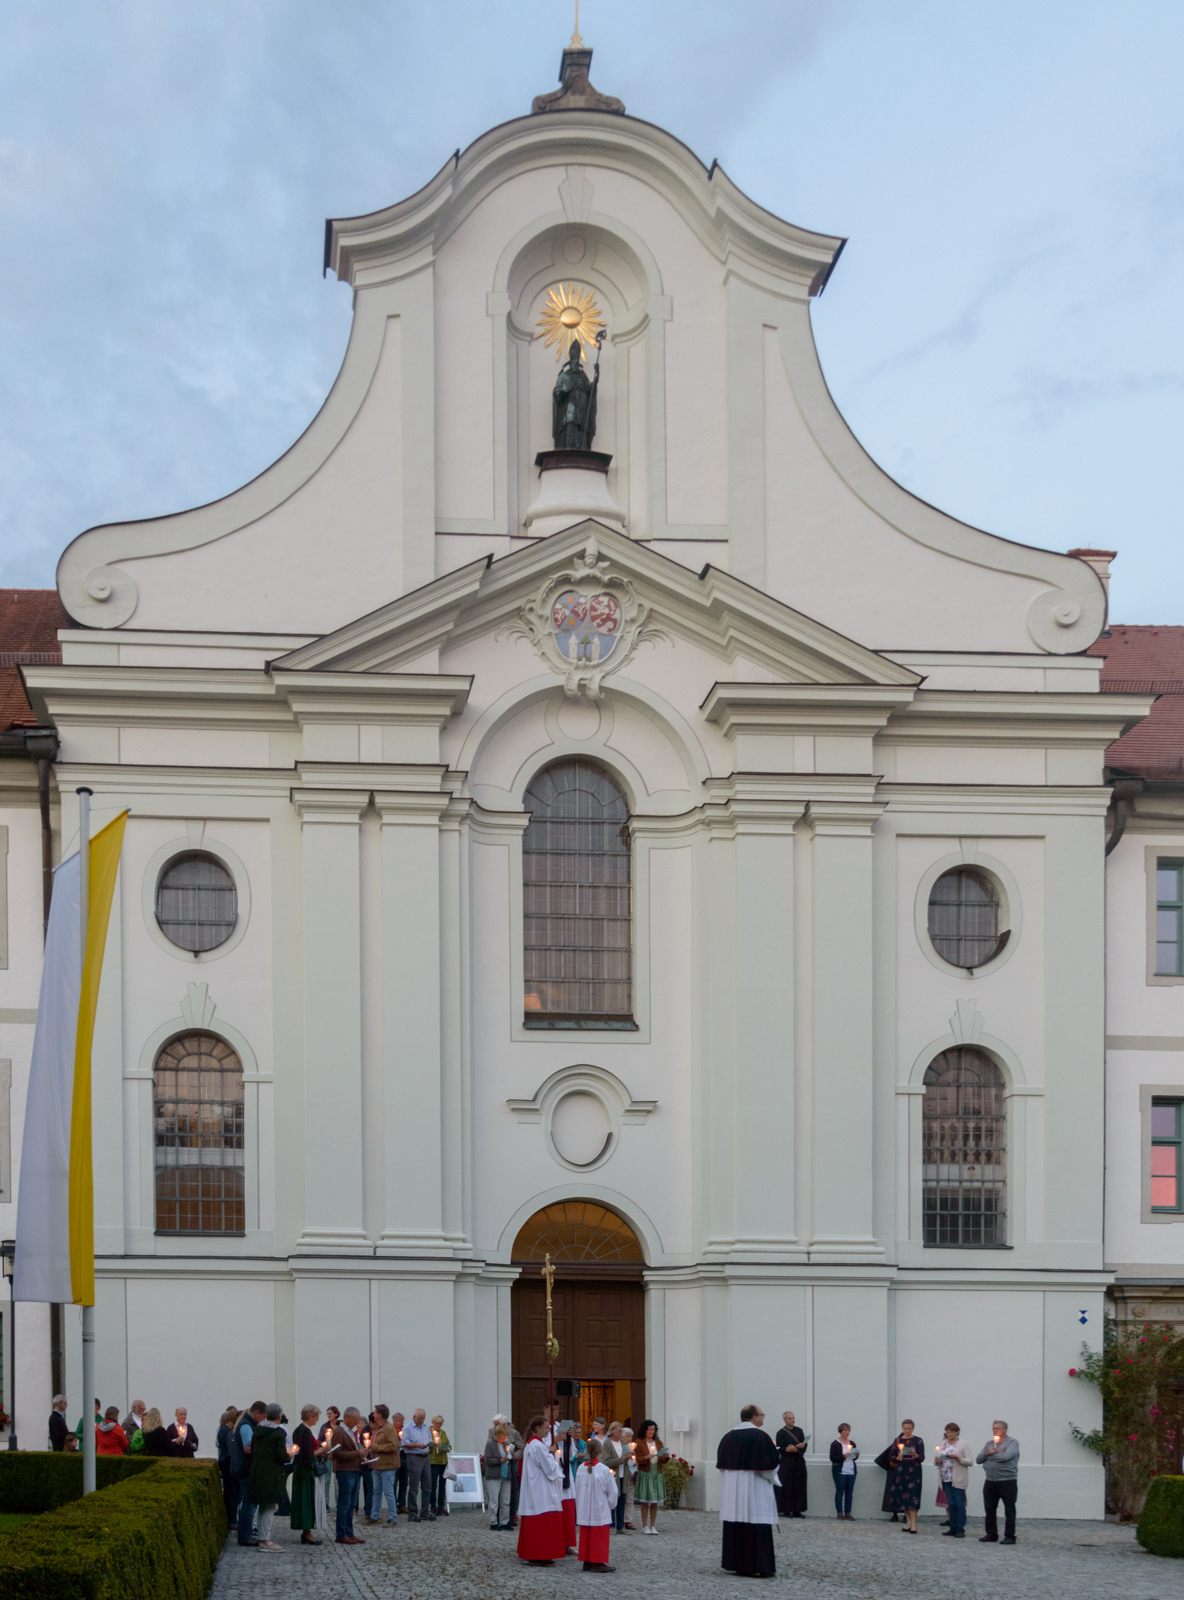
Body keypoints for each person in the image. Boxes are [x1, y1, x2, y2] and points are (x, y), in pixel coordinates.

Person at [716, 1403, 779, 1579]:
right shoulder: (760, 1437)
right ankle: (761, 1566)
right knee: (756, 1523)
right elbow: (769, 1466)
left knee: (737, 1524)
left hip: (733, 1495)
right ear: (754, 1418)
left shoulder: (727, 1437)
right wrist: (773, 1477)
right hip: (755, 1492)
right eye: (762, 1415)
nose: (763, 1418)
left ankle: (738, 1565)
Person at [516, 1414, 565, 1564]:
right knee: (542, 1521)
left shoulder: (533, 1444)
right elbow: (549, 1469)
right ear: (537, 1428)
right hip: (540, 1487)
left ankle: (540, 1554)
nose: (548, 1431)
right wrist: (555, 1461)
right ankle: (539, 1554)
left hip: (536, 1485)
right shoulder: (537, 1446)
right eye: (546, 1428)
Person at [249, 1403, 289, 1553]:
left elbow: (253, 1450)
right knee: (270, 1507)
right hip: (272, 1473)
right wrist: (290, 1455)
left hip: (258, 1471)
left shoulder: (257, 1430)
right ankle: (265, 1540)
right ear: (279, 1416)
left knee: (262, 1506)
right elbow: (281, 1456)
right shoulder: (279, 1433)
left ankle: (261, 1538)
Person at [575, 1436, 618, 1573]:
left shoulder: (580, 1468)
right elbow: (613, 1491)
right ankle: (597, 1562)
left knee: (586, 1535)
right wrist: (611, 1505)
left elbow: (577, 1489)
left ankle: (587, 1561)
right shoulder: (603, 1469)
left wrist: (579, 1505)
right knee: (599, 1535)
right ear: (600, 1451)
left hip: (584, 1507)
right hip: (600, 1507)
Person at [231, 1401, 268, 1546]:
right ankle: (245, 1536)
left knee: (247, 1504)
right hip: (246, 1470)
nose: (264, 1419)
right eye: (263, 1416)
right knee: (249, 1504)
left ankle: (245, 1534)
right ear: (257, 1412)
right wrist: (263, 1450)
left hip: (243, 1468)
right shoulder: (246, 1426)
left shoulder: (246, 1423)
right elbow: (247, 1448)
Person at [977, 1420, 1020, 1544]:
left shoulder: (1012, 1442)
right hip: (990, 1480)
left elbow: (1006, 1457)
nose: (995, 1430)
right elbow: (978, 1459)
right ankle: (991, 1534)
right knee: (989, 1508)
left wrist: (989, 1456)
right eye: (994, 1428)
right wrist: (987, 1453)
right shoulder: (989, 1443)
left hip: (1007, 1481)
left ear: (1005, 1429)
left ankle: (1010, 1536)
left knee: (1009, 1509)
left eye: (998, 1428)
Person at [329, 1406, 367, 1545]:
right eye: (355, 1420)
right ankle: (341, 1534)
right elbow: (336, 1453)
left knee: (351, 1504)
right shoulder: (339, 1431)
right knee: (344, 1504)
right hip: (345, 1471)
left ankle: (349, 1533)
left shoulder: (351, 1432)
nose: (357, 1423)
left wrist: (361, 1456)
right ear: (347, 1418)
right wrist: (357, 1453)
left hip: (354, 1470)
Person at [290, 1403, 325, 1546]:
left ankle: (307, 1531)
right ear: (310, 1416)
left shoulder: (305, 1430)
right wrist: (323, 1450)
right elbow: (307, 1454)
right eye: (316, 1416)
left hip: (305, 1469)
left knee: (308, 1500)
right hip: (304, 1470)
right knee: (306, 1500)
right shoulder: (303, 1431)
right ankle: (306, 1531)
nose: (317, 1419)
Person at [935, 1423, 974, 1539]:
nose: (950, 1434)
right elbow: (937, 1459)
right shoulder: (943, 1443)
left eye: (952, 1432)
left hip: (957, 1478)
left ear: (957, 1432)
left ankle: (960, 1528)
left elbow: (970, 1462)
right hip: (945, 1477)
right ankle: (953, 1527)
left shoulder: (963, 1444)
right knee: (951, 1503)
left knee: (959, 1503)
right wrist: (937, 1461)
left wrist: (958, 1459)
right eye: (948, 1432)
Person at [886, 1420, 924, 1533]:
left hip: (914, 1472)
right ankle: (908, 1523)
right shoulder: (898, 1440)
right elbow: (891, 1456)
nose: (907, 1431)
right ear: (902, 1428)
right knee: (903, 1497)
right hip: (901, 1471)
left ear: (913, 1429)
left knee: (913, 1497)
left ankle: (914, 1525)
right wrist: (898, 1457)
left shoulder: (918, 1440)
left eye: (909, 1429)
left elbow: (922, 1457)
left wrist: (915, 1455)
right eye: (905, 1429)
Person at [633, 1420, 669, 1534]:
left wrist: (666, 1457)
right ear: (644, 1430)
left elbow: (661, 1459)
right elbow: (637, 1459)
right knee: (645, 1501)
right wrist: (646, 1457)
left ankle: (653, 1525)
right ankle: (645, 1525)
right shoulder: (639, 1442)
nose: (651, 1432)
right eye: (649, 1430)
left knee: (654, 1501)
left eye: (653, 1430)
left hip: (656, 1473)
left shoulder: (658, 1442)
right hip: (645, 1473)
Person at [489, 1413, 524, 1527]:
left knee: (511, 1492)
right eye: (494, 1425)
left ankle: (510, 1517)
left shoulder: (513, 1433)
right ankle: (497, 1518)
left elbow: (522, 1446)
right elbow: (490, 1446)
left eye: (497, 1425)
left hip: (511, 1465)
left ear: (504, 1424)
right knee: (496, 1495)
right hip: (498, 1464)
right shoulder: (492, 1431)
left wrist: (515, 1456)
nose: (495, 1427)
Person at [369, 1404, 401, 1526]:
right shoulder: (378, 1428)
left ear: (379, 1415)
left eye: (375, 1412)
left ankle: (393, 1518)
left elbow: (393, 1446)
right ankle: (374, 1516)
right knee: (376, 1491)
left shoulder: (389, 1429)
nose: (373, 1414)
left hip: (387, 1465)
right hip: (377, 1465)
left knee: (388, 1492)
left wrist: (374, 1447)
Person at [402, 1408, 435, 1521]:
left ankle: (425, 1512)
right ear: (414, 1417)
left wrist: (432, 1444)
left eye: (423, 1418)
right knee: (414, 1486)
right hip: (414, 1457)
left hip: (425, 1457)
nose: (422, 1420)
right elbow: (404, 1444)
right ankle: (412, 1513)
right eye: (420, 1418)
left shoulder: (425, 1427)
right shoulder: (407, 1427)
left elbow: (429, 1439)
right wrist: (418, 1445)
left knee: (427, 1486)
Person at [775, 1410, 807, 1517]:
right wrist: (791, 1449)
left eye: (793, 1418)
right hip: (786, 1463)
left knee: (799, 1486)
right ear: (784, 1420)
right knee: (787, 1486)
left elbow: (804, 1445)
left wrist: (796, 1449)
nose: (792, 1420)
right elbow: (780, 1448)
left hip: (798, 1461)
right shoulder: (781, 1433)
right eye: (789, 1418)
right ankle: (786, 1510)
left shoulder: (799, 1431)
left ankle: (797, 1510)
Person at [559, 1422, 583, 1554]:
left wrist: (568, 1439)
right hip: (556, 1474)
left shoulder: (570, 1440)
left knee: (568, 1511)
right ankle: (558, 1543)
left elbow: (571, 1454)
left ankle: (567, 1543)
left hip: (567, 1474)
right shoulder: (547, 1437)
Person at [485, 1425, 513, 1531]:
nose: (505, 1437)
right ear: (497, 1435)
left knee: (506, 1500)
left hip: (505, 1475)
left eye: (506, 1435)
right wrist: (500, 1460)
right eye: (503, 1435)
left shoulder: (507, 1445)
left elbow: (510, 1459)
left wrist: (510, 1456)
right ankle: (493, 1522)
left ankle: (504, 1521)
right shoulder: (490, 1445)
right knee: (494, 1500)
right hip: (494, 1475)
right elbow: (487, 1460)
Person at [601, 1423, 627, 1533]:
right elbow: (607, 1461)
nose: (620, 1433)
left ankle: (620, 1526)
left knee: (622, 1501)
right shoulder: (607, 1443)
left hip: (623, 1475)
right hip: (613, 1476)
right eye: (618, 1431)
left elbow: (627, 1459)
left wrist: (632, 1460)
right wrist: (622, 1459)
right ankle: (610, 1525)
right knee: (612, 1499)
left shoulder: (623, 1443)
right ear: (611, 1431)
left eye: (621, 1431)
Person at [216, 1407, 240, 1525]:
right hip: (227, 1464)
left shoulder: (224, 1430)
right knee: (231, 1493)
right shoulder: (225, 1431)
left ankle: (231, 1518)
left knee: (231, 1493)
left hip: (226, 1463)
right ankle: (231, 1519)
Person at [829, 1424, 858, 1519]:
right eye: (845, 1430)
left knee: (849, 1493)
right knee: (840, 1491)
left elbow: (854, 1458)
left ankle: (848, 1512)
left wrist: (856, 1455)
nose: (847, 1432)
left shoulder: (852, 1443)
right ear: (841, 1431)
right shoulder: (835, 1444)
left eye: (848, 1430)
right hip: (840, 1471)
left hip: (851, 1471)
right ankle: (839, 1512)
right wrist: (843, 1456)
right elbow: (832, 1458)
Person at [429, 1414, 452, 1516]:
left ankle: (441, 1506)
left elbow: (449, 1446)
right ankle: (433, 1506)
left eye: (440, 1424)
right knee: (433, 1485)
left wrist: (445, 1449)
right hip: (433, 1461)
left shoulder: (443, 1433)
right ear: (433, 1422)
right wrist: (432, 1445)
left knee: (442, 1485)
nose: (438, 1426)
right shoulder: (428, 1432)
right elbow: (425, 1445)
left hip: (443, 1461)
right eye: (437, 1423)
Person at [619, 1426, 637, 1529]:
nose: (630, 1439)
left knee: (630, 1498)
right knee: (620, 1499)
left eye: (631, 1437)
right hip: (621, 1474)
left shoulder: (633, 1448)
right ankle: (619, 1519)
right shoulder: (619, 1447)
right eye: (627, 1436)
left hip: (630, 1475)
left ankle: (628, 1520)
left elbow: (635, 1460)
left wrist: (635, 1462)